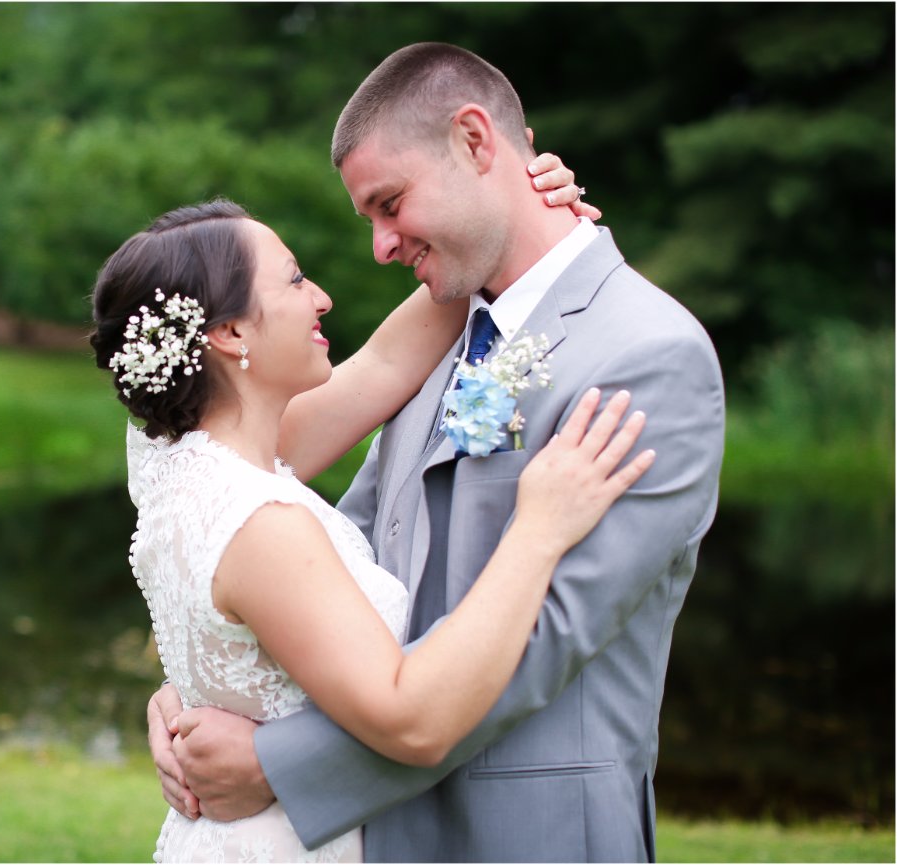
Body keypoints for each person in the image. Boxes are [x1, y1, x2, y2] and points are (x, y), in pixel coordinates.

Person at [147, 43, 726, 863]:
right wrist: (204, 680)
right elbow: (334, 569)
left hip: (529, 836)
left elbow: (543, 641)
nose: (381, 246)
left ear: (475, 141)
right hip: (379, 835)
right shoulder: (447, 333)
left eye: (391, 203)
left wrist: (276, 763)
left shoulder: (647, 352)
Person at [93, 180, 652, 859]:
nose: (321, 296)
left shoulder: (167, 459)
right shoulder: (260, 522)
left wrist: (503, 204)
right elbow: (410, 718)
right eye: (294, 279)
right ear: (229, 332)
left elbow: (387, 362)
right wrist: (538, 529)